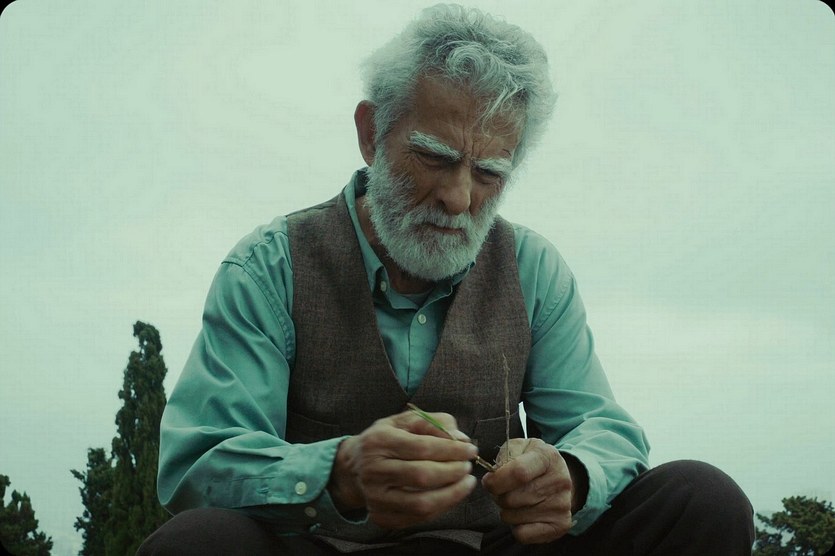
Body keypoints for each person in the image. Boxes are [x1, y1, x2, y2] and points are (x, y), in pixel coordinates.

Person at [138, 4, 754, 555]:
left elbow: (604, 430)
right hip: (321, 546)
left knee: (702, 500)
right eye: (434, 157)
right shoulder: (270, 266)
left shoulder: (534, 270)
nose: (459, 199)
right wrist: (339, 473)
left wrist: (571, 475)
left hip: (490, 546)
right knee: (194, 545)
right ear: (370, 133)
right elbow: (200, 463)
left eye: (489, 173)